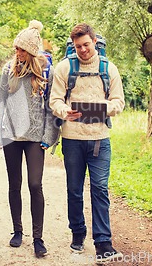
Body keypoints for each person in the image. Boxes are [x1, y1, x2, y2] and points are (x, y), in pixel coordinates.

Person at [49, 23, 125, 262]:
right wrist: (64, 111)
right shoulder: (64, 68)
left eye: (86, 45)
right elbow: (55, 100)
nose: (82, 50)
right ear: (73, 46)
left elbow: (118, 102)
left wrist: (101, 108)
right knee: (74, 189)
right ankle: (78, 234)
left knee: (100, 189)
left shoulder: (108, 69)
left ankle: (103, 242)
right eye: (77, 46)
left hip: (100, 139)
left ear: (94, 42)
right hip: (72, 139)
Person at [0, 20, 59, 258]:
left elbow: (51, 107)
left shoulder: (44, 73)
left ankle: (38, 238)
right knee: (14, 184)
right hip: (11, 135)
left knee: (35, 184)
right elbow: (1, 102)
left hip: (34, 137)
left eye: (21, 49)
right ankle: (17, 231)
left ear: (31, 52)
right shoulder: (9, 71)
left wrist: (50, 135)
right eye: (16, 49)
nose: (17, 53)